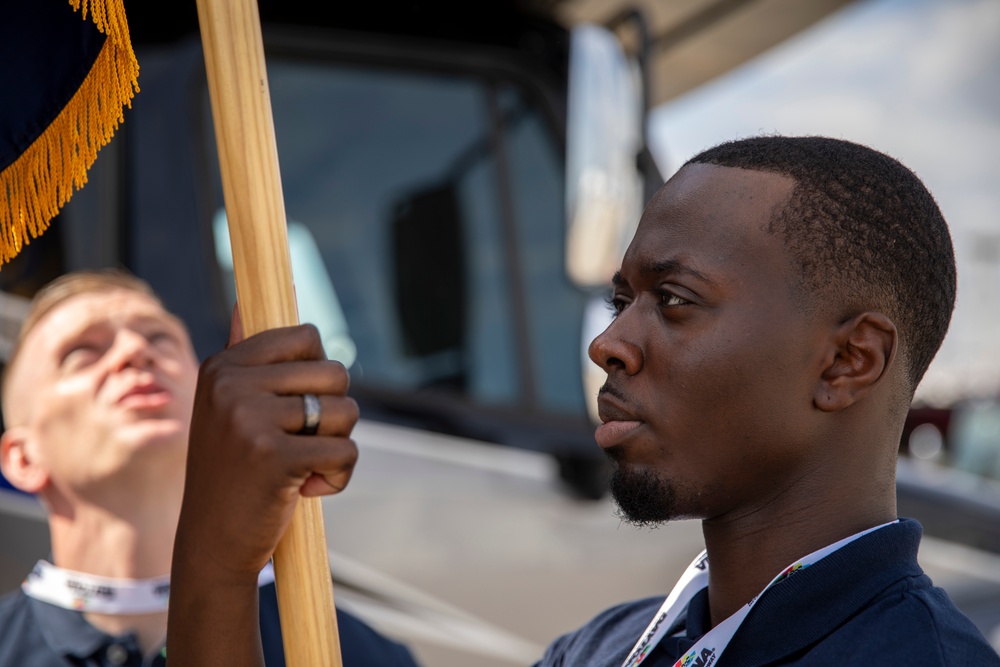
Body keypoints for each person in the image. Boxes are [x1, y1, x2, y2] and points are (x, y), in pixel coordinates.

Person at [165, 135, 1000, 666]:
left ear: (849, 361)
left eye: (674, 300)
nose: (610, 343)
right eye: (619, 301)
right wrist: (216, 563)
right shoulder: (601, 648)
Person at [0, 269, 419, 667]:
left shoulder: (358, 654)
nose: (134, 351)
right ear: (22, 458)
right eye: (82, 352)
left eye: (160, 338)